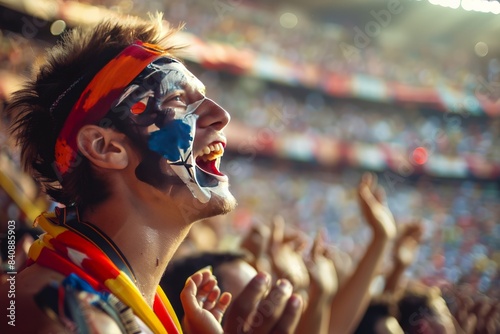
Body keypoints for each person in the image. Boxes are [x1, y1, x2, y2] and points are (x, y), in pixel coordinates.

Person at [0, 14, 303, 333]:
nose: (220, 115)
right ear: (105, 147)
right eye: (177, 100)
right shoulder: (64, 317)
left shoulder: (119, 306)